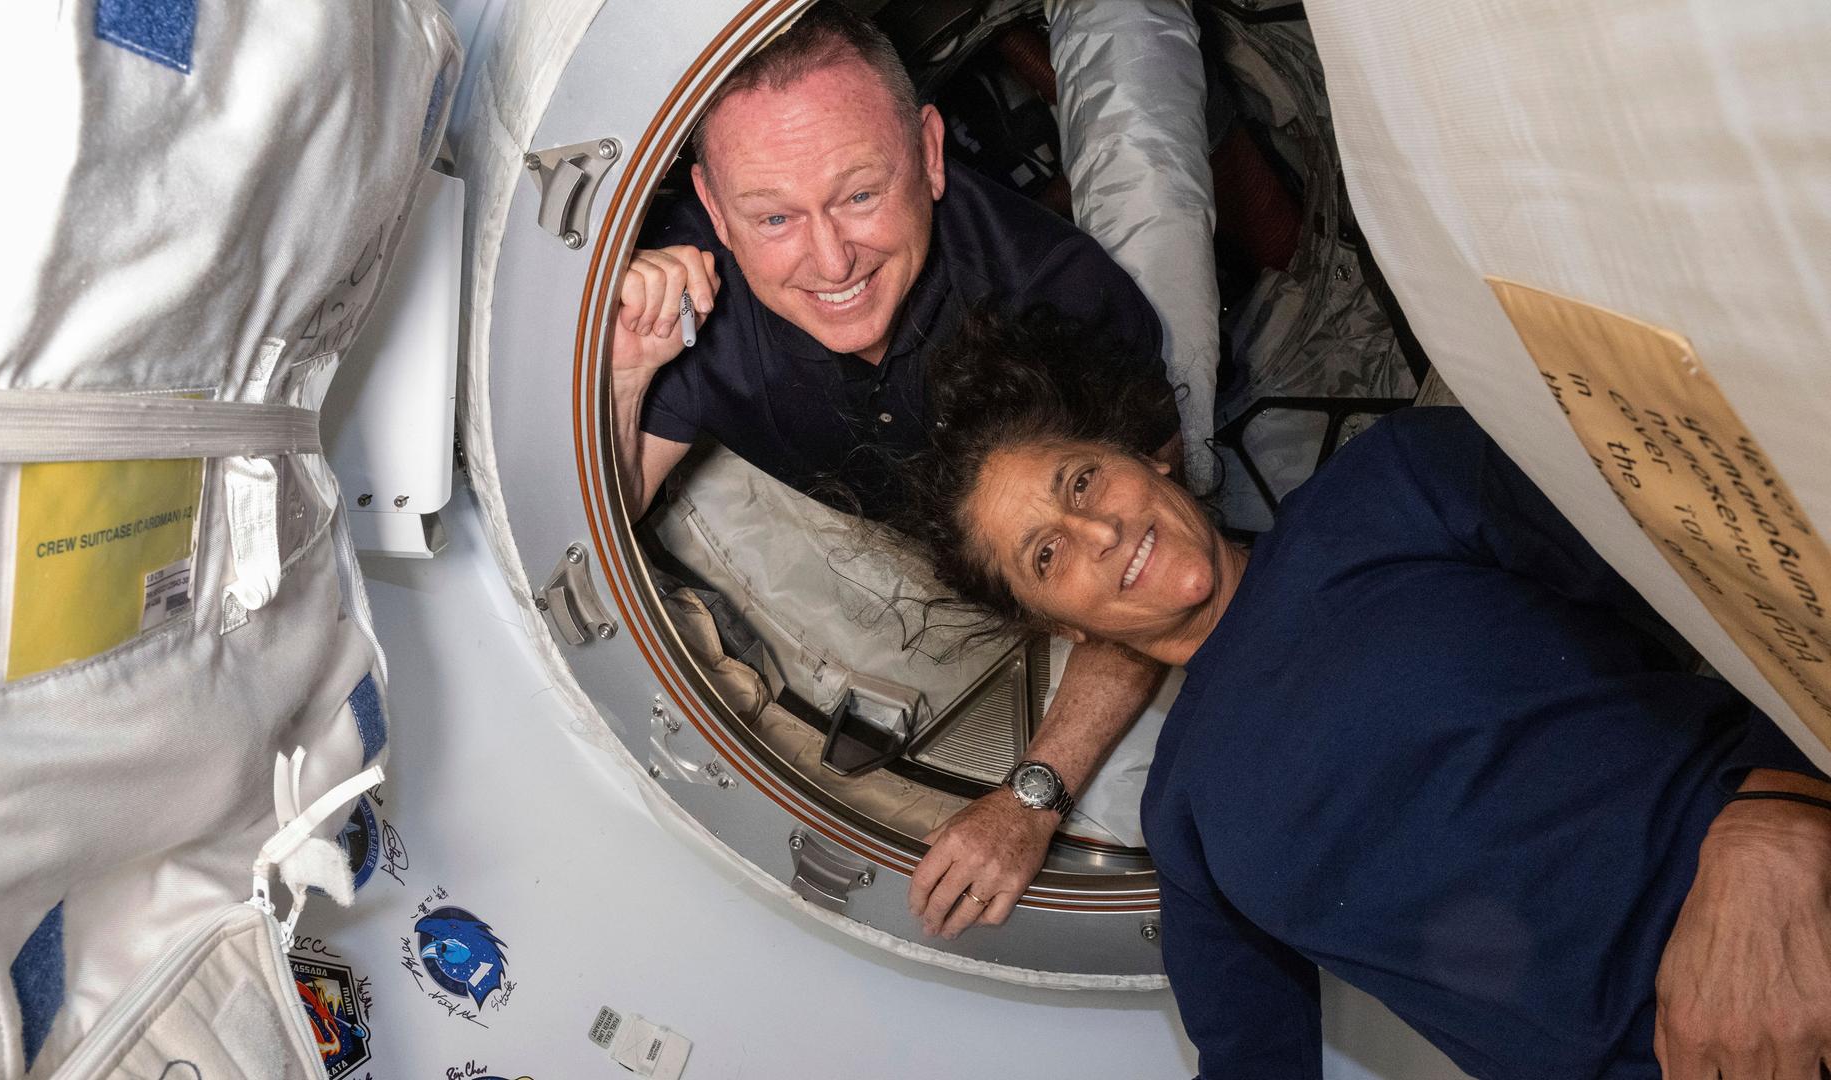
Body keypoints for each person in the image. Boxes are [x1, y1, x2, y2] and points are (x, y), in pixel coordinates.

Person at [889, 310, 1831, 1079]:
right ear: (1063, 625)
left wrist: (1778, 818)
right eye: (1045, 553)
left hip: (1783, 891)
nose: (1094, 530)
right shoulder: (1183, 816)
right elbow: (1252, 1062)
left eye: (1083, 479)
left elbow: (1741, 572)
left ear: (1150, 455)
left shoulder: (1392, 488)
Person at [610, 2, 1182, 931]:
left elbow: (1158, 564)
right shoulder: (691, 295)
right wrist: (629, 370)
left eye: (860, 195)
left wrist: (1032, 796)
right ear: (714, 207)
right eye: (773, 215)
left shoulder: (1061, 301)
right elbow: (606, 509)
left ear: (928, 150)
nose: (829, 257)